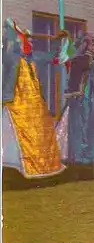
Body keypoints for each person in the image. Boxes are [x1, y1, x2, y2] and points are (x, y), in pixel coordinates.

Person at [2, 18, 65, 179]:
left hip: (36, 103)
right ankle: (14, 164)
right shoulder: (13, 58)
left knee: (38, 134)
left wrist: (58, 41)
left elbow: (51, 56)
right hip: (17, 103)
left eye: (30, 41)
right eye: (26, 40)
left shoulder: (36, 57)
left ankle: (38, 165)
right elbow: (4, 54)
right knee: (15, 134)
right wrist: (8, 34)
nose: (29, 43)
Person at [56, 35, 94, 169]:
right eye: (91, 45)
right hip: (82, 100)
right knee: (81, 126)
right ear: (85, 45)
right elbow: (74, 81)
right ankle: (80, 155)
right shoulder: (80, 60)